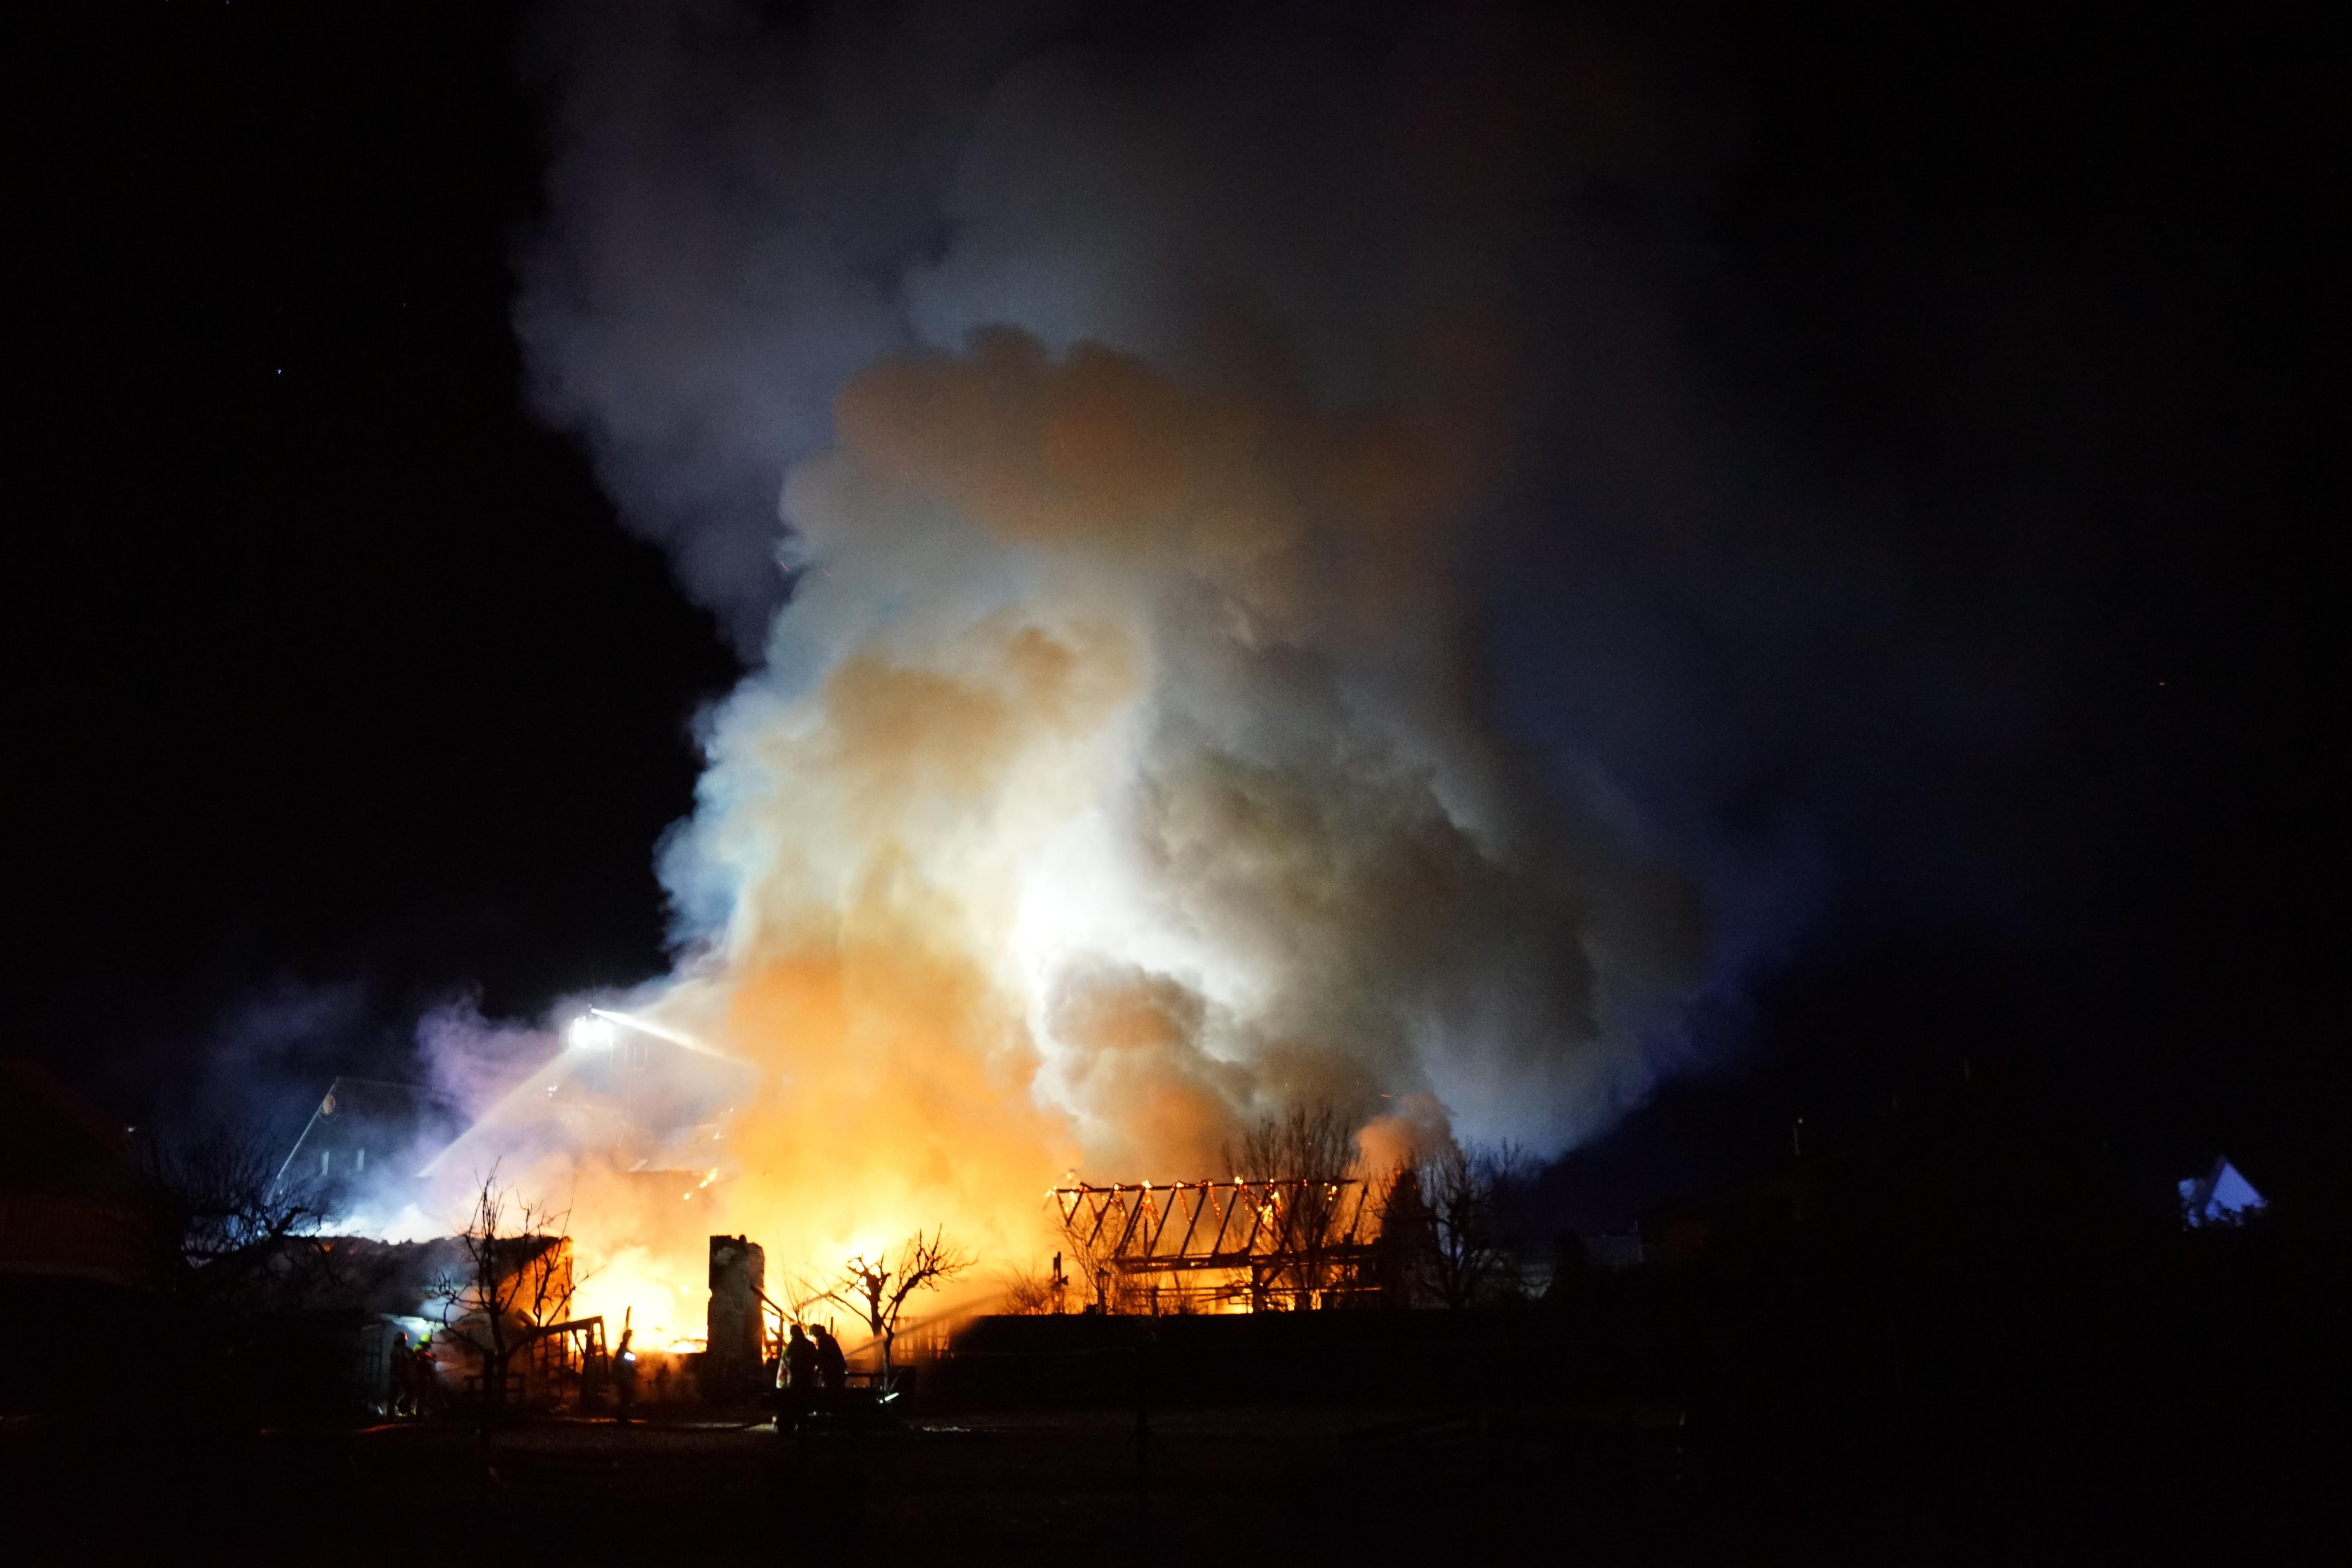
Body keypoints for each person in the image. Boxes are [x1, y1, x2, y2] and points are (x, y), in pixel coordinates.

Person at [813, 1323, 848, 1389]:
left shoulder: (822, 1340)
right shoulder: (829, 1338)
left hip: (832, 1371)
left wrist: (817, 1371)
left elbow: (822, 1357)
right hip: (839, 1369)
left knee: (831, 1390)